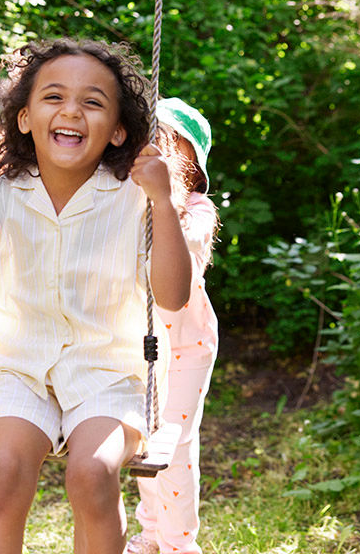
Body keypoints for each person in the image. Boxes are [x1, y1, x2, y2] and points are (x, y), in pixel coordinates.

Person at [0, 38, 192, 554]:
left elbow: (173, 296)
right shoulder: (4, 195)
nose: (71, 111)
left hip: (110, 376)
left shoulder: (134, 198)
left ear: (118, 130)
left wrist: (163, 201)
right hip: (19, 373)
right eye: (54, 97)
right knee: (5, 472)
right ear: (25, 118)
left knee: (92, 474)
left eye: (92, 102)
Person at [127, 98, 219, 554]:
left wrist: (162, 201)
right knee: (144, 443)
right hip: (139, 343)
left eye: (168, 138)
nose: (156, 145)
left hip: (185, 344)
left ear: (191, 161)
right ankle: (151, 533)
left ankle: (180, 545)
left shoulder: (197, 209)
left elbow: (188, 248)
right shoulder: (128, 200)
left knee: (174, 445)